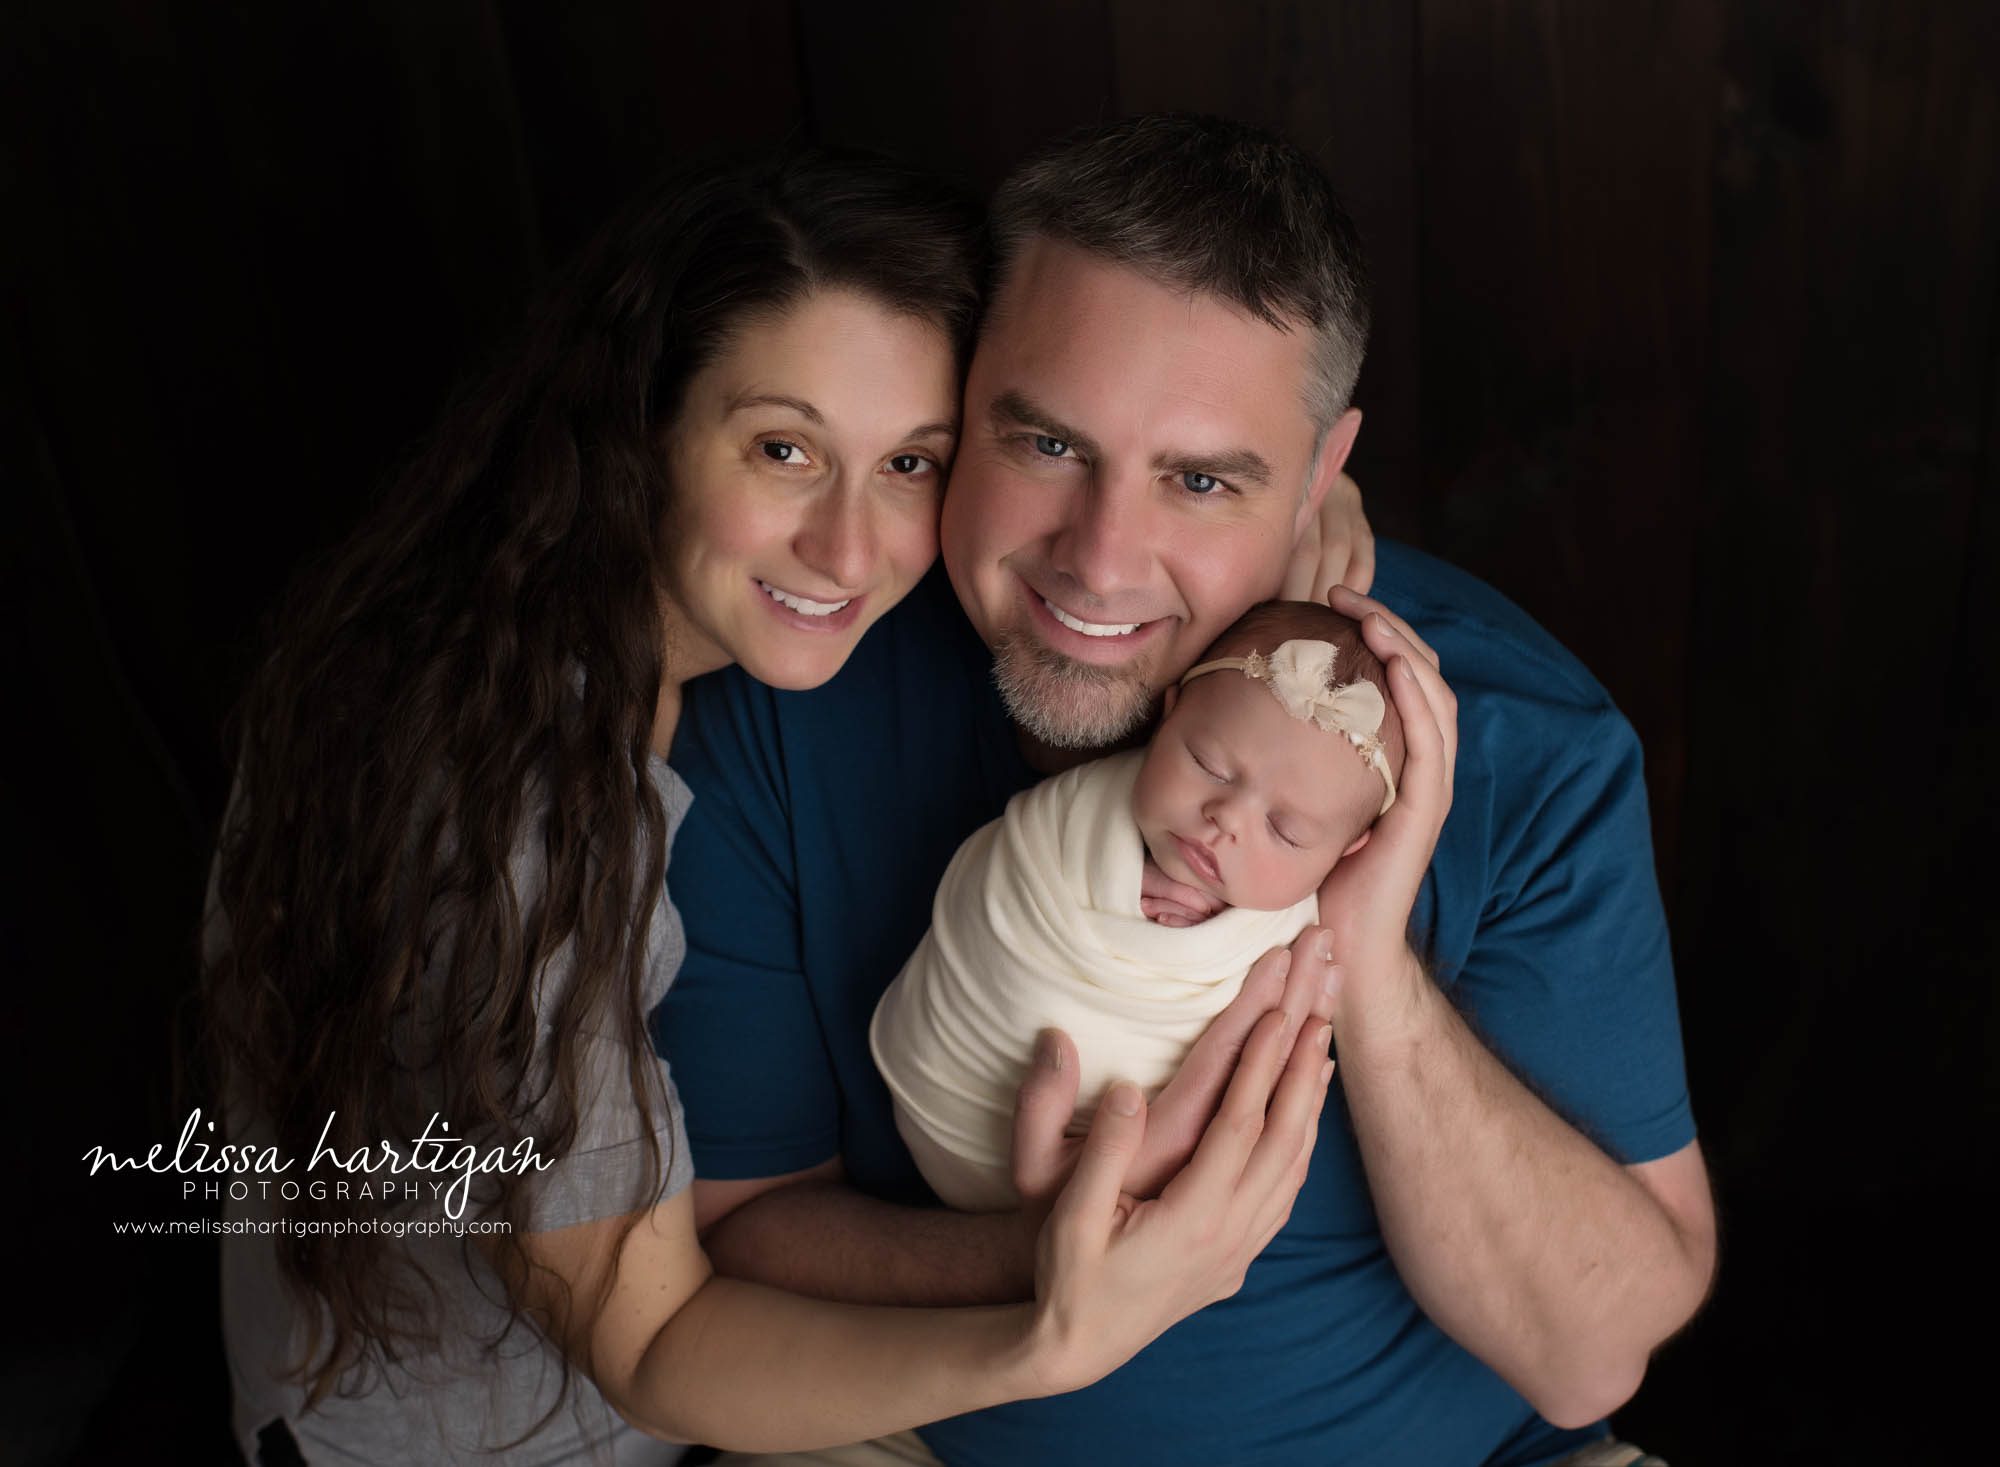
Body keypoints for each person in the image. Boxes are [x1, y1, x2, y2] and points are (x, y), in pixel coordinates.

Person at [199, 147, 1354, 1466]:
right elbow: (653, 1343)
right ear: (638, 421)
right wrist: (1054, 1329)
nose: (849, 546)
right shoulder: (500, 807)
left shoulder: (541, 630)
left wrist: (1292, 494)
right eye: (784, 447)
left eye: (911, 462)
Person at [656, 114, 1718, 1467]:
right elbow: (745, 1223)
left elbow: (1590, 1352)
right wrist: (1048, 1256)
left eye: (1203, 479)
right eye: (1045, 445)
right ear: (964, 396)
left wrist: (1367, 961)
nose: (1100, 561)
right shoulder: (792, 690)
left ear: (1323, 477)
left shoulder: (1515, 744)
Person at [872, 601, 1406, 1211]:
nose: (1226, 820)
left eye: (1285, 831)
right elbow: (998, 887)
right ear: (1167, 716)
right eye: (1207, 764)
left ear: (1346, 851)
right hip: (947, 1093)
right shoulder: (1071, 818)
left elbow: (1255, 1070)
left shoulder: (1292, 939)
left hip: (1118, 1181)